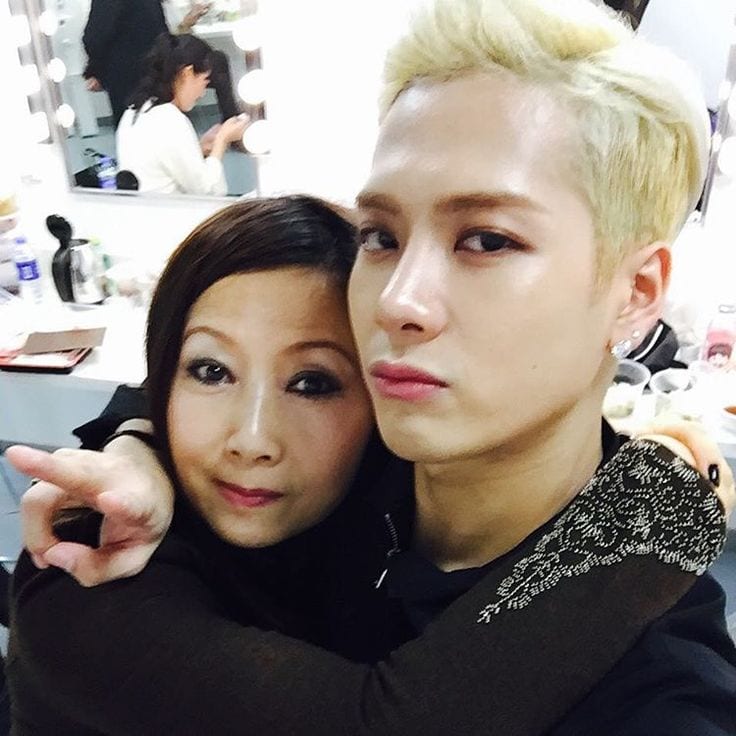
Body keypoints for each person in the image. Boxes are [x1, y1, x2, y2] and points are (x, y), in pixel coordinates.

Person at [8, 0, 736, 732]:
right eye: (381, 236)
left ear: (636, 293)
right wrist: (135, 443)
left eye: (487, 240)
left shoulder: (658, 683)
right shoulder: (314, 482)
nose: (397, 300)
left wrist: (659, 509)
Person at [116, 33, 247, 196]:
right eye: (204, 81)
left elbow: (162, 164)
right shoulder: (171, 121)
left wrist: (199, 149)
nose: (202, 94)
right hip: (172, 209)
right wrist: (222, 141)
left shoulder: (132, 112)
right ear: (188, 73)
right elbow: (209, 191)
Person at [82, 0, 169, 128]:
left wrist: (95, 70)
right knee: (161, 122)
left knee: (130, 126)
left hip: (125, 72)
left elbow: (95, 36)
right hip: (157, 66)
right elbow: (161, 28)